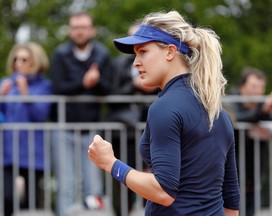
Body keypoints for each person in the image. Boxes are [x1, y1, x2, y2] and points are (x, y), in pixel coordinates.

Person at [88, 10, 240, 216]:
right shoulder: (218, 110)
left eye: (143, 52)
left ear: (170, 52)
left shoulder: (164, 107)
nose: (135, 62)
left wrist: (111, 163)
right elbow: (231, 201)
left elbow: (163, 191)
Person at [49, 11, 112, 215]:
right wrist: (85, 82)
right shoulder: (60, 54)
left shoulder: (102, 54)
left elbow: (109, 89)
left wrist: (97, 82)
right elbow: (58, 87)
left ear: (92, 30)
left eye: (83, 27)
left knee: (93, 187)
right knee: (66, 186)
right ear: (70, 30)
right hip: (63, 127)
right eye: (75, 27)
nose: (79, 31)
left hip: (92, 129)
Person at [104, 20, 158, 215]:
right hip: (124, 132)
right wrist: (134, 85)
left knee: (152, 178)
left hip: (151, 130)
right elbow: (111, 96)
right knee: (123, 179)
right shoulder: (118, 64)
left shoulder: (158, 62)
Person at [0, 42, 52, 216]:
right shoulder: (6, 84)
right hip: (7, 151)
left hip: (31, 151)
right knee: (6, 197)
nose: (18, 63)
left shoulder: (44, 86)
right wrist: (2, 97)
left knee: (30, 203)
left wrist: (26, 95)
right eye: (16, 59)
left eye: (24, 59)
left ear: (35, 61)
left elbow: (40, 115)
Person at [228, 66, 272, 216]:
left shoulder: (263, 105)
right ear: (242, 87)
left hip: (255, 179)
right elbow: (236, 118)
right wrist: (262, 113)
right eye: (254, 86)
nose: (258, 92)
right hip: (231, 179)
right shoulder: (230, 102)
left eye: (261, 87)